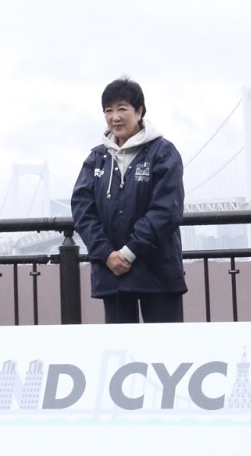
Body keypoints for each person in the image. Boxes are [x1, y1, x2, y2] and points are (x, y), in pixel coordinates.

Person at [71, 77, 187, 323]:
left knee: (166, 353)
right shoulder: (97, 158)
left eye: (122, 108)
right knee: (120, 354)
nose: (115, 117)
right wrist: (106, 254)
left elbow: (167, 210)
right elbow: (82, 209)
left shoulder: (163, 153)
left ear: (140, 111)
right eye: (108, 110)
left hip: (157, 273)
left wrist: (129, 252)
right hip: (113, 275)